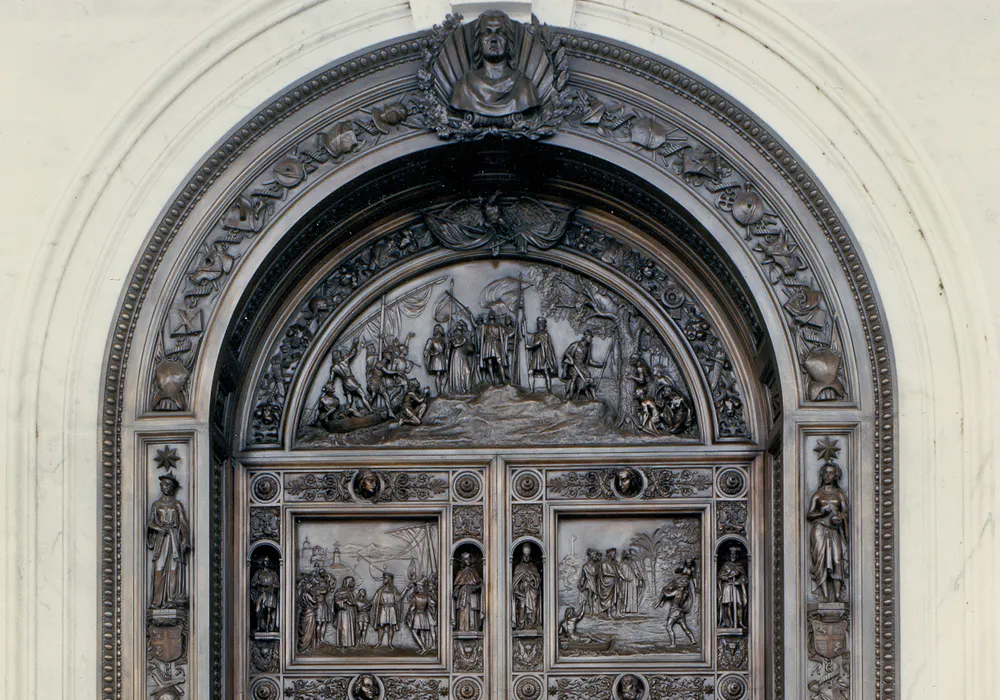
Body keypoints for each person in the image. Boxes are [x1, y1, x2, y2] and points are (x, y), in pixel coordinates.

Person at [449, 10, 539, 117]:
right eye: (487, 33)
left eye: (500, 32)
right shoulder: (463, 88)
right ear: (478, 40)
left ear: (508, 40)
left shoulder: (524, 87)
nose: (493, 39)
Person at [146, 474, 191, 609]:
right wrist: (159, 528)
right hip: (162, 539)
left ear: (173, 488)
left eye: (169, 485)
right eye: (164, 484)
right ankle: (157, 601)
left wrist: (185, 540)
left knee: (173, 567)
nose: (166, 487)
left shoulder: (177, 504)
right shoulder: (156, 505)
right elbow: (150, 522)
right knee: (159, 567)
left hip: (174, 539)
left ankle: (172, 599)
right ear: (161, 486)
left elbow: (182, 521)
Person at [806, 462, 849, 602]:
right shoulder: (817, 495)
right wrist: (821, 513)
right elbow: (809, 514)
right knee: (821, 561)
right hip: (819, 529)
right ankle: (824, 596)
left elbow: (846, 512)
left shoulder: (839, 494)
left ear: (835, 475)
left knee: (836, 560)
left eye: (830, 473)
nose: (827, 475)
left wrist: (840, 518)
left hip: (834, 530)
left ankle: (836, 596)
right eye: (825, 473)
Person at [655, 559, 698, 646]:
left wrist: (664, 591)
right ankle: (693, 640)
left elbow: (666, 594)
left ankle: (673, 644)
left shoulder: (677, 591)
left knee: (668, 627)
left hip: (674, 611)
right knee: (685, 627)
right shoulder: (685, 593)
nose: (681, 580)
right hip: (680, 612)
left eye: (682, 581)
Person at [329, 339, 372, 415]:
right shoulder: (344, 361)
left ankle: (345, 414)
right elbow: (353, 352)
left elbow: (330, 380)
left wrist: (329, 387)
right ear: (338, 355)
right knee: (363, 395)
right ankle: (371, 410)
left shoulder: (333, 368)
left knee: (349, 400)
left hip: (344, 383)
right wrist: (355, 344)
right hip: (350, 380)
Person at [561, 330, 602, 400]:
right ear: (585, 337)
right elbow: (566, 353)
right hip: (573, 365)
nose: (591, 339)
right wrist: (571, 359)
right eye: (590, 337)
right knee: (574, 378)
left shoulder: (588, 348)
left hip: (581, 366)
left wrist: (600, 365)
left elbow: (590, 361)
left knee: (589, 377)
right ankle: (570, 396)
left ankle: (594, 396)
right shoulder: (575, 344)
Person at [511, 544, 541, 630]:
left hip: (532, 590)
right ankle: (521, 624)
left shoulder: (533, 567)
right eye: (525, 554)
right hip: (522, 591)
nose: (526, 556)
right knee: (522, 606)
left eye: (528, 554)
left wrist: (533, 579)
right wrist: (519, 587)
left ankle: (532, 624)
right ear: (523, 555)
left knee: (534, 606)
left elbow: (538, 578)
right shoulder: (519, 567)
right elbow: (515, 581)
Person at [718, 548, 748, 629]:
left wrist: (738, 581)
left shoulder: (739, 566)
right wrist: (729, 577)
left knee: (740, 604)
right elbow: (720, 576)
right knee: (729, 604)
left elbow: (744, 578)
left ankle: (740, 622)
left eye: (734, 554)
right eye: (731, 554)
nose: (733, 556)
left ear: (737, 556)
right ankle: (730, 622)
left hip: (736, 587)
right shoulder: (726, 565)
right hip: (728, 586)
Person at [453, 552, 483, 633]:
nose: (467, 561)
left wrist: (477, 587)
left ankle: (473, 627)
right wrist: (456, 591)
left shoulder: (474, 571)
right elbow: (457, 586)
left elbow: (479, 583)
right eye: (465, 559)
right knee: (463, 609)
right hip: (463, 594)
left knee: (472, 610)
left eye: (468, 558)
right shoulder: (460, 573)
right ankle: (461, 628)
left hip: (472, 595)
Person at [525, 317, 557, 392]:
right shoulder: (536, 334)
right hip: (536, 355)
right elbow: (527, 335)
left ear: (543, 324)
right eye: (538, 323)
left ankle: (549, 390)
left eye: (541, 323)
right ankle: (531, 390)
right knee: (530, 371)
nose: (539, 325)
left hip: (543, 355)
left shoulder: (545, 334)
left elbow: (539, 343)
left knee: (546, 372)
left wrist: (529, 346)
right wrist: (523, 325)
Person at [405, 580, 437, 653]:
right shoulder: (427, 596)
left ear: (418, 587)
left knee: (414, 632)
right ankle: (423, 646)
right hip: (424, 615)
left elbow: (412, 607)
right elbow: (433, 604)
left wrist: (409, 615)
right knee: (422, 632)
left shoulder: (415, 596)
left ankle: (423, 647)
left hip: (417, 616)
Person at [250, 556, 279, 632]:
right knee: (258, 609)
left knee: (268, 610)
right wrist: (258, 583)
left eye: (268, 561)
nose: (267, 562)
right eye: (265, 561)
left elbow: (277, 584)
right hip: (261, 593)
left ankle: (267, 627)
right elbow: (253, 583)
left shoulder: (273, 573)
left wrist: (270, 585)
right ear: (263, 562)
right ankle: (258, 626)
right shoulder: (259, 573)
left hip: (270, 593)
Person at [372, 572, 401, 648]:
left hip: (391, 609)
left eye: (385, 578)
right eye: (384, 578)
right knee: (381, 626)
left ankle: (390, 643)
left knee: (391, 626)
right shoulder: (380, 590)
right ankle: (379, 642)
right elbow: (374, 600)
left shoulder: (393, 589)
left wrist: (406, 590)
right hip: (383, 609)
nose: (384, 580)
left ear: (389, 580)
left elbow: (398, 599)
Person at [478, 310, 507, 385]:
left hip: (496, 343)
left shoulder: (499, 326)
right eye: (490, 313)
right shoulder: (484, 326)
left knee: (499, 361)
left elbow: (504, 335)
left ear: (495, 316)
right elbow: (481, 337)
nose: (491, 314)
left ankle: (503, 378)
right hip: (487, 344)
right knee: (489, 362)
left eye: (493, 313)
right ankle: (492, 379)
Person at [447, 321, 475, 395]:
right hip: (456, 355)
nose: (460, 331)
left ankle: (468, 390)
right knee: (457, 372)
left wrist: (470, 344)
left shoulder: (465, 337)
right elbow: (455, 345)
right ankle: (458, 390)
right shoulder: (453, 338)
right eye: (458, 328)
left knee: (467, 371)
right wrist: (464, 341)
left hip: (464, 355)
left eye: (461, 329)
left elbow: (471, 349)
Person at [423, 324, 449, 396]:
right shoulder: (431, 340)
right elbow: (426, 351)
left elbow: (446, 350)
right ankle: (439, 392)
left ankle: (442, 390)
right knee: (438, 374)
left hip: (442, 358)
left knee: (446, 376)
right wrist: (432, 353)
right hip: (436, 359)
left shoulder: (443, 340)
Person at [617, 548, 645, 614]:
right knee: (625, 594)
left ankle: (632, 609)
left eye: (630, 554)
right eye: (628, 554)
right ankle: (624, 609)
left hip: (633, 582)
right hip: (625, 582)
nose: (629, 555)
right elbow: (619, 574)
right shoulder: (621, 564)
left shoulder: (633, 563)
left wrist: (640, 579)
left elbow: (637, 572)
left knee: (632, 595)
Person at [333, 576, 359, 648]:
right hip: (343, 611)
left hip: (351, 611)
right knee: (344, 626)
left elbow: (353, 602)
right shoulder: (340, 591)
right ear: (347, 582)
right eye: (352, 581)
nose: (353, 583)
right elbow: (336, 601)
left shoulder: (350, 592)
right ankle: (343, 644)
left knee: (351, 627)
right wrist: (345, 601)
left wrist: (354, 604)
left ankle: (350, 643)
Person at [296, 575, 319, 652]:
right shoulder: (307, 594)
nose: (312, 588)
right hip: (309, 613)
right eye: (310, 587)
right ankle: (305, 646)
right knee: (308, 630)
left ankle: (306, 646)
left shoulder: (303, 594)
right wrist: (314, 595)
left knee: (307, 630)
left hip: (306, 612)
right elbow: (314, 602)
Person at [597, 548, 620, 619]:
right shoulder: (604, 563)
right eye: (614, 554)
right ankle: (609, 614)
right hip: (607, 583)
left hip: (614, 582)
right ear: (610, 554)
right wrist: (614, 575)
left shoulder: (613, 563)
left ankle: (617, 612)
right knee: (608, 599)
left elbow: (617, 571)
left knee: (616, 597)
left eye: (615, 554)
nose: (615, 555)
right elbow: (604, 573)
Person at [577, 549, 600, 615]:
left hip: (594, 583)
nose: (596, 556)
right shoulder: (585, 566)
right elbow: (582, 576)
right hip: (588, 582)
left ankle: (594, 609)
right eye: (595, 555)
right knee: (590, 596)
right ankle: (591, 610)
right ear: (591, 556)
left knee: (592, 596)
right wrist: (580, 584)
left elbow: (598, 576)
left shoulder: (596, 566)